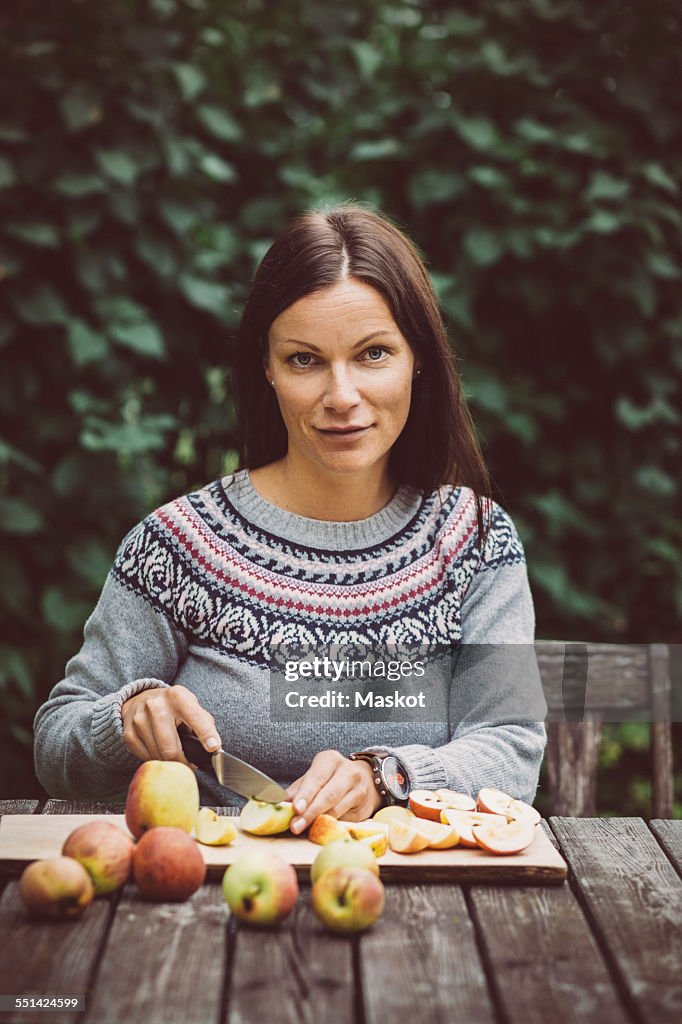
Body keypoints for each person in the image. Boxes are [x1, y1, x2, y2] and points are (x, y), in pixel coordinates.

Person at [33, 204, 546, 833]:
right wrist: (124, 718)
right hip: (200, 901)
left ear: (419, 360)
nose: (341, 396)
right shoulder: (176, 546)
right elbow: (56, 747)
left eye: (373, 354)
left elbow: (511, 745)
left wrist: (387, 776)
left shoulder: (476, 542)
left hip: (420, 904)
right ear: (267, 368)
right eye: (305, 360)